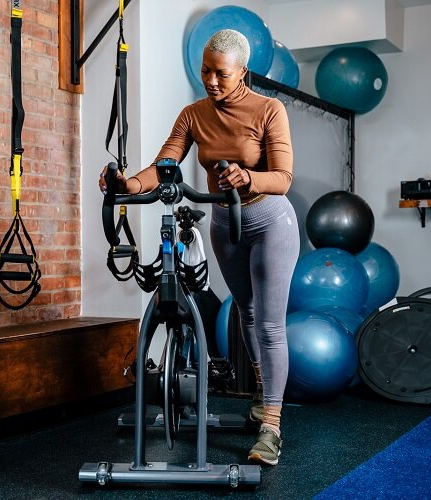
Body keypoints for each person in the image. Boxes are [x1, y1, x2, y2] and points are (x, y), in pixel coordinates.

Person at [99, 29, 299, 466]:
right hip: (226, 222)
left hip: (269, 221)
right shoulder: (193, 114)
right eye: (206, 70)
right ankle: (264, 388)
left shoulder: (269, 109)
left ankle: (271, 425)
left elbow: (283, 178)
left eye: (221, 73)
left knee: (268, 323)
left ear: (242, 71)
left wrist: (248, 177)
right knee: (244, 312)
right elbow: (165, 164)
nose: (210, 79)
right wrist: (128, 184)